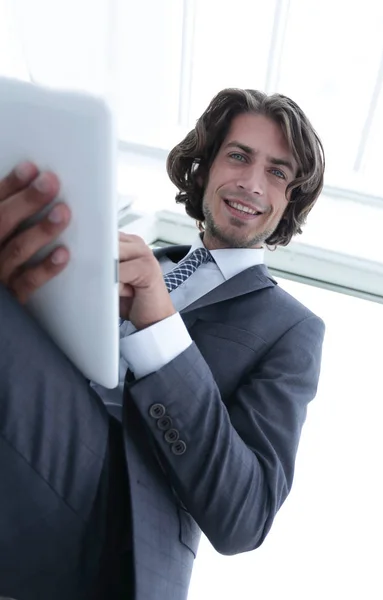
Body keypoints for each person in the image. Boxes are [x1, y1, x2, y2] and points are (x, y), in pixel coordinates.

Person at [0, 88, 325, 600]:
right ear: (207, 168)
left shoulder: (291, 329)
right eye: (238, 156)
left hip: (118, 522)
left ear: (289, 203)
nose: (251, 182)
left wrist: (159, 328)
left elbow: (245, 516)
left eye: (278, 172)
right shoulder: (123, 253)